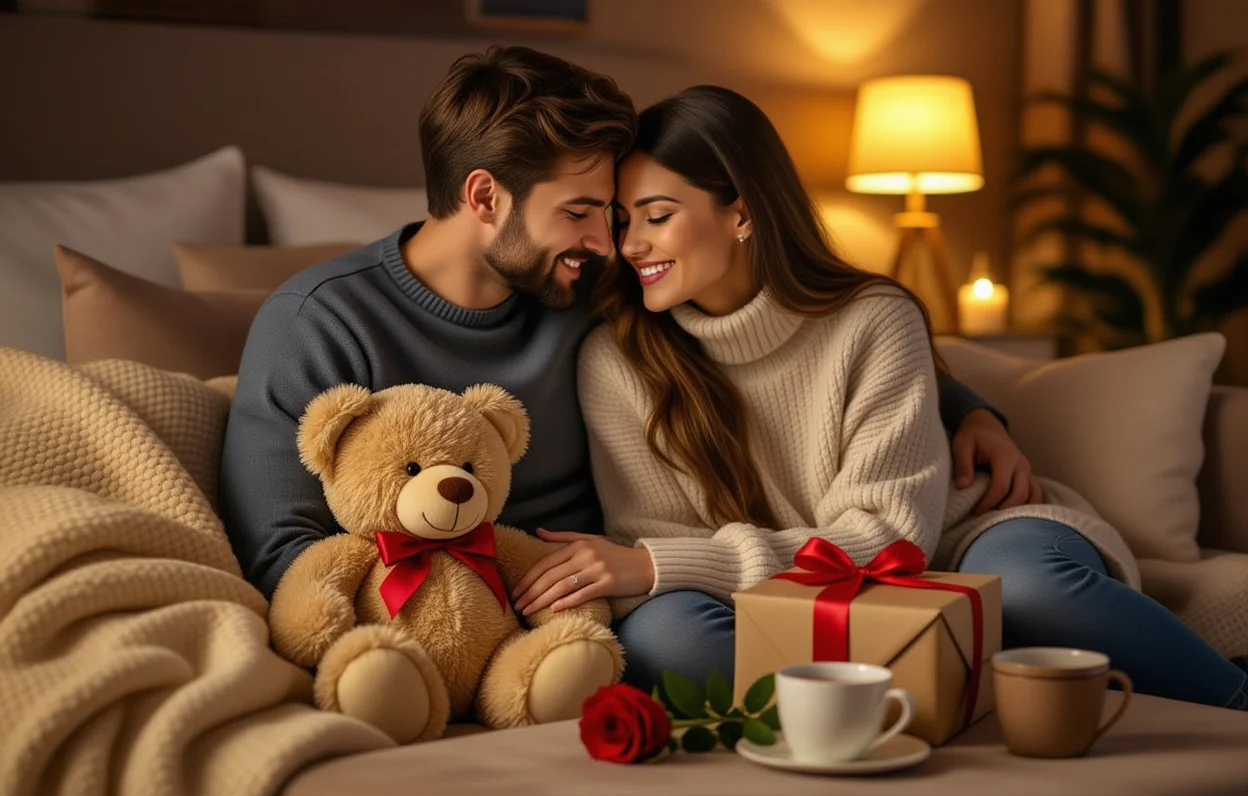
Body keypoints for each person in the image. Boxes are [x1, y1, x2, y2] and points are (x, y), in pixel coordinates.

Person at [509, 85, 1248, 711]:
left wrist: (663, 563)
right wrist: (662, 568)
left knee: (1028, 586)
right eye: (622, 220)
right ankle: (934, 699)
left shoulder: (872, 317)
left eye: (657, 214)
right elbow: (657, 539)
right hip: (783, 595)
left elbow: (892, 536)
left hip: (959, 542)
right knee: (664, 638)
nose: (630, 244)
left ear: (741, 213)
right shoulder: (617, 357)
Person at [221, 46, 1031, 603]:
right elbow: (281, 553)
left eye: (615, 215)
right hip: (455, 613)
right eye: (582, 212)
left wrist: (968, 410)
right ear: (482, 198)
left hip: (600, 602)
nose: (611, 243)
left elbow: (806, 330)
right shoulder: (317, 322)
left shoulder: (591, 288)